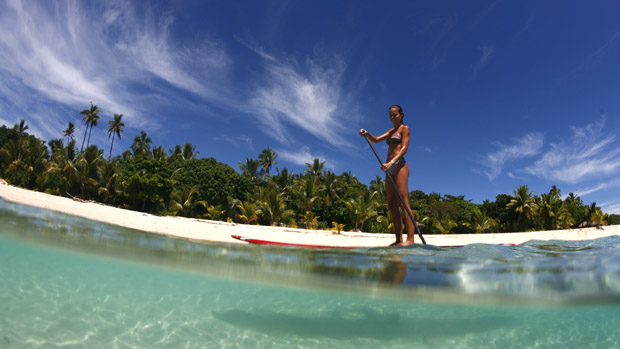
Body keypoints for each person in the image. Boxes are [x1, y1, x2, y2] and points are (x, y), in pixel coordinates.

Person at [360, 105, 416, 246]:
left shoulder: (405, 128)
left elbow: (404, 149)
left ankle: (410, 239)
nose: (392, 117)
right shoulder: (391, 131)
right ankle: (398, 239)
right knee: (391, 204)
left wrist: (391, 163)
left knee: (403, 202)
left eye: (395, 115)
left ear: (401, 114)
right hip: (388, 168)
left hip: (399, 165)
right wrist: (367, 134)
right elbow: (376, 139)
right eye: (390, 115)